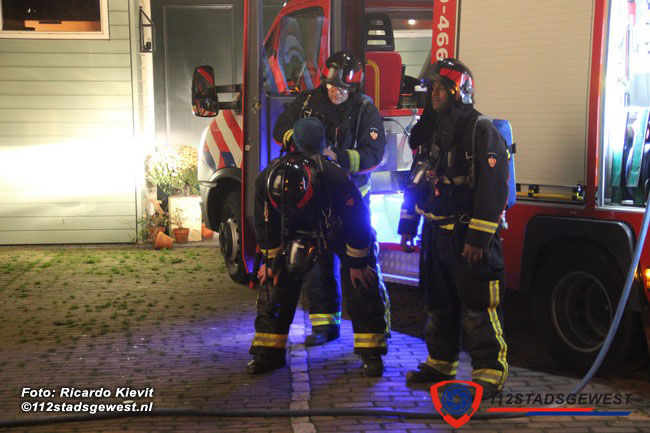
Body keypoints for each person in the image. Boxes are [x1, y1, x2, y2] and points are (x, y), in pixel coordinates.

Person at [398, 58, 509, 398]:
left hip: (466, 237)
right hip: (435, 233)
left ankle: (489, 372)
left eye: (440, 88)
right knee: (438, 304)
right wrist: (408, 223)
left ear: (458, 91)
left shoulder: (480, 131)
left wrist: (478, 237)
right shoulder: (431, 131)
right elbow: (417, 179)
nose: (433, 93)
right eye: (432, 87)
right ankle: (440, 364)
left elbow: (493, 188)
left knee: (478, 308)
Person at [248, 117, 388, 377]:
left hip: (337, 229)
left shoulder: (334, 177)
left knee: (362, 281)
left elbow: (358, 220)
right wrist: (271, 260)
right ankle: (267, 353)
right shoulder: (267, 180)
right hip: (291, 232)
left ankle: (371, 353)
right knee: (274, 281)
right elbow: (264, 223)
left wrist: (357, 263)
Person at [273, 51, 389, 346]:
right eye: (331, 86)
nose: (336, 92)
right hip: (314, 199)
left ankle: (373, 334)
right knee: (317, 264)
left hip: (351, 201)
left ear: (354, 87)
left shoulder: (364, 110)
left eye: (343, 88)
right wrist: (300, 141)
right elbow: (280, 129)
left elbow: (374, 155)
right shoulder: (307, 102)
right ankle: (325, 326)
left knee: (359, 265)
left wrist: (337, 158)